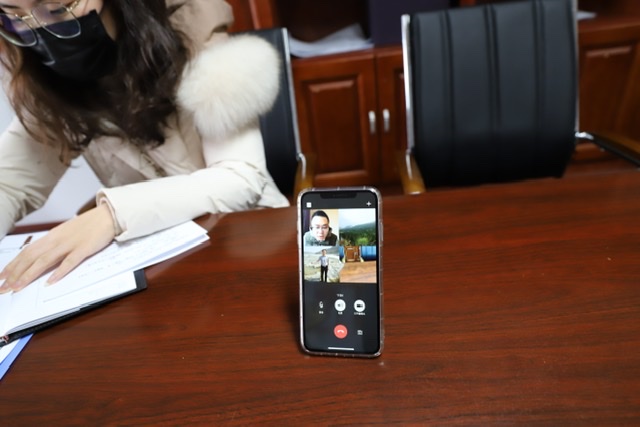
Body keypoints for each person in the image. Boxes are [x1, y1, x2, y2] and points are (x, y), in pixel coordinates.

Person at [0, 0, 289, 294]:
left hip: (251, 241)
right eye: (14, 15)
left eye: (58, 8)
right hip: (163, 261)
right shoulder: (48, 80)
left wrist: (112, 216)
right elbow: (8, 184)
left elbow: (240, 179)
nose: (39, 27)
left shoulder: (197, 38)